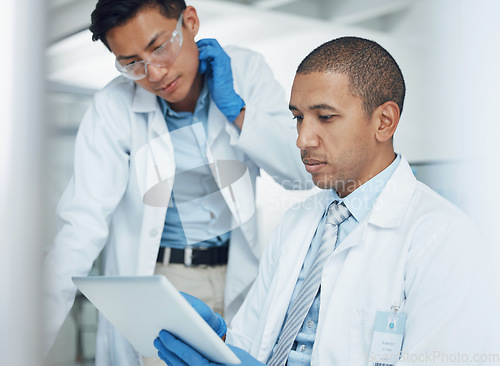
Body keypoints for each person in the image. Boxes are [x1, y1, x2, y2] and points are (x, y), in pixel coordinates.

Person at [153, 36, 500, 365]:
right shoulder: (296, 223)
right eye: (298, 118)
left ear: (384, 121)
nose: (302, 138)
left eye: (325, 117)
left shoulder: (444, 239)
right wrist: (220, 344)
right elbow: (251, 344)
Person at [42, 0, 310, 365]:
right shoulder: (113, 106)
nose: (153, 73)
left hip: (239, 278)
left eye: (159, 47)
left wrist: (238, 111)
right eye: (132, 62)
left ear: (190, 21)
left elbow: (300, 173)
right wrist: (22, 340)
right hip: (164, 284)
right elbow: (81, 225)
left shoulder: (247, 71)